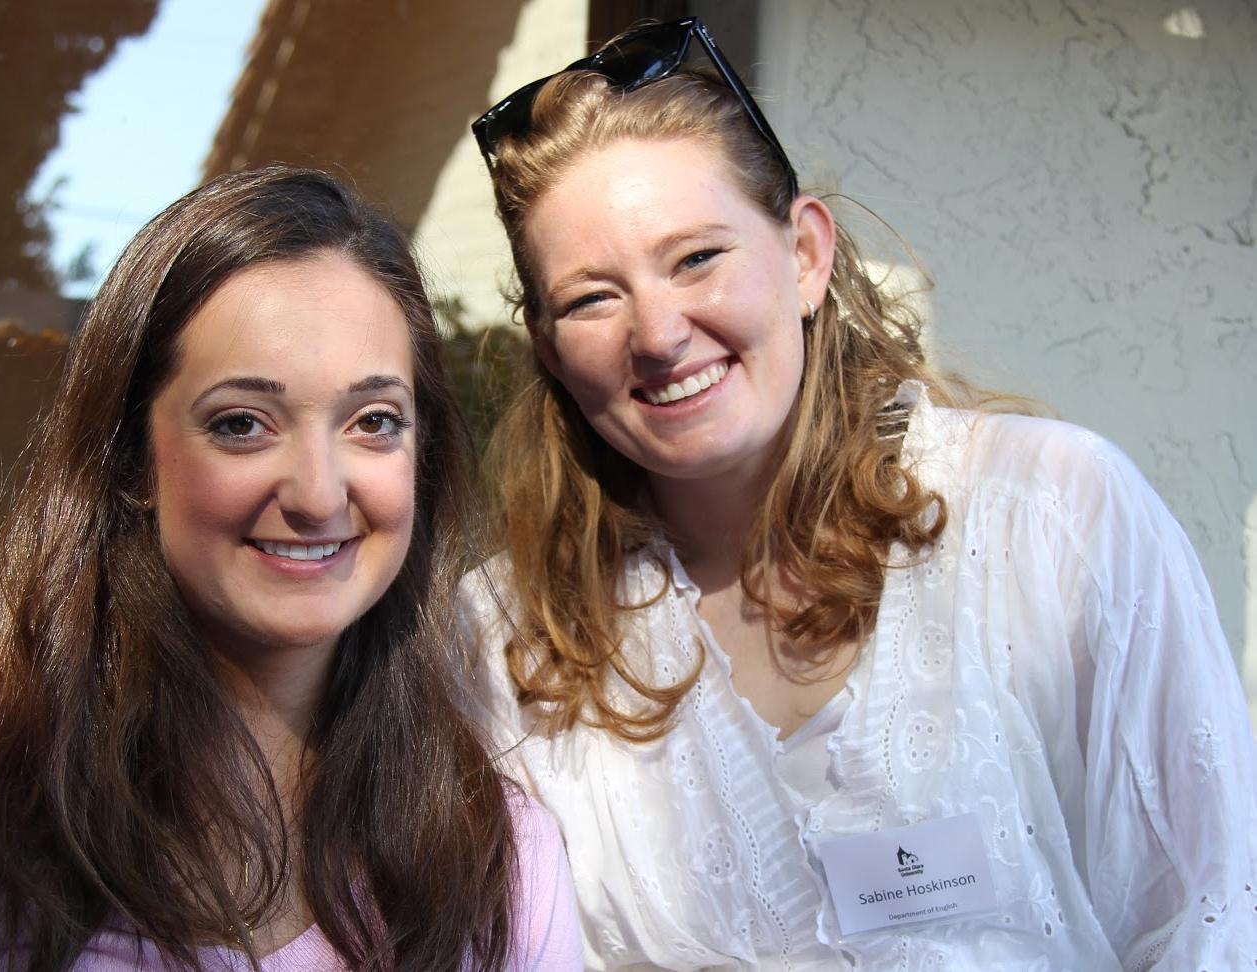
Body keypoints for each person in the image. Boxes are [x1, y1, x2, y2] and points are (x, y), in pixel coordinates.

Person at [457, 17, 1257, 971]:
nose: (660, 333)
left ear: (804, 255)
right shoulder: (509, 640)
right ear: (548, 347)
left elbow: (1212, 920)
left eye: (697, 258)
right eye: (592, 298)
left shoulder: (1051, 516)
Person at [0, 166, 583, 971]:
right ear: (131, 459)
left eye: (373, 421)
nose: (318, 493)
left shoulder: (500, 866)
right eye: (243, 423)